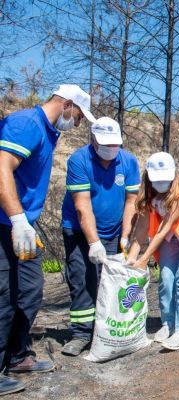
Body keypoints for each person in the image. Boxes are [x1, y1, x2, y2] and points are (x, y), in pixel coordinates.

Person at [0, 84, 94, 395]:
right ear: (68, 104)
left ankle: (17, 354)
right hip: (6, 224)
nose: (77, 123)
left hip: (23, 225)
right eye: (78, 116)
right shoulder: (26, 124)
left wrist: (25, 223)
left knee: (29, 290)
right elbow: (2, 169)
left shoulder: (46, 131)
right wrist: (16, 220)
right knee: (4, 295)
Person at [60, 117, 140, 356]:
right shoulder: (79, 160)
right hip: (78, 230)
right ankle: (82, 334)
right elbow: (82, 205)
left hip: (114, 231)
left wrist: (125, 235)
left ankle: (108, 330)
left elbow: (131, 202)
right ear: (93, 140)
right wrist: (94, 242)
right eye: (106, 144)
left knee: (111, 281)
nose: (111, 149)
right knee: (82, 279)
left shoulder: (128, 162)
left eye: (115, 144)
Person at [127, 152, 179, 350]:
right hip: (169, 237)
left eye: (165, 179)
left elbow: (164, 227)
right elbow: (142, 227)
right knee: (166, 278)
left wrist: (144, 259)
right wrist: (132, 257)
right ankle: (167, 323)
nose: (161, 183)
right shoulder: (148, 192)